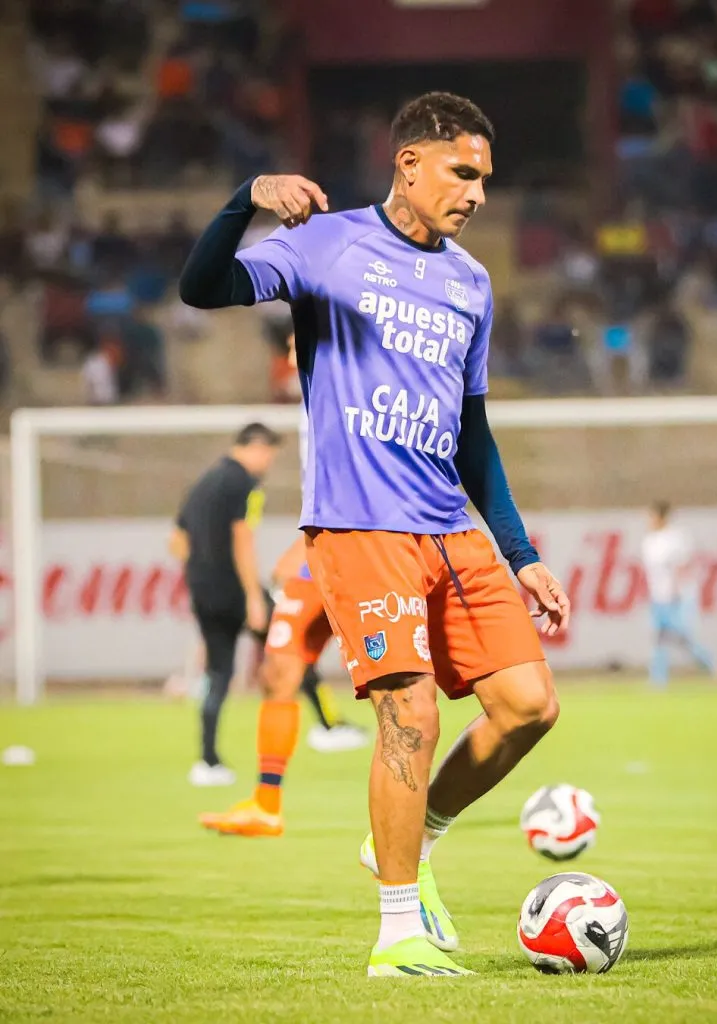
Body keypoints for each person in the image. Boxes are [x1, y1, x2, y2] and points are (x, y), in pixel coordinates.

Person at [179, 91, 569, 978]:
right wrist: (247, 196)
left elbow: (473, 435)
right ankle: (398, 934)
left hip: (450, 528)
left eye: (483, 180)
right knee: (411, 714)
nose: (475, 194)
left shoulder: (471, 282)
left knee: (529, 706)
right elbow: (202, 288)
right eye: (462, 173)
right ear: (410, 163)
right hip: (361, 526)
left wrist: (524, 553)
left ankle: (410, 832)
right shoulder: (326, 243)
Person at [200, 338, 369, 837]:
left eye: (299, 340)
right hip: (326, 545)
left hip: (369, 542)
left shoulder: (351, 391)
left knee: (398, 682)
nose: (290, 353)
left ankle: (411, 817)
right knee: (279, 667)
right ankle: (266, 803)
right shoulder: (311, 399)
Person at [170, 422, 282, 785]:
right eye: (269, 455)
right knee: (289, 647)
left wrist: (201, 571)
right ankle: (328, 725)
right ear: (257, 447)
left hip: (204, 589)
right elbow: (242, 539)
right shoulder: (243, 484)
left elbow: (176, 541)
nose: (268, 463)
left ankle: (208, 760)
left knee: (218, 674)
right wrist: (252, 596)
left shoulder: (204, 482)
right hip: (235, 589)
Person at [641, 501, 714, 687]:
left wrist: (675, 590)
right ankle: (658, 679)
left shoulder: (675, 538)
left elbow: (682, 566)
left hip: (675, 597)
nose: (649, 520)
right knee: (658, 638)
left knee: (682, 637)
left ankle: (709, 663)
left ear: (663, 517)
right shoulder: (649, 541)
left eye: (653, 516)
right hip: (657, 597)